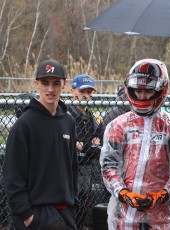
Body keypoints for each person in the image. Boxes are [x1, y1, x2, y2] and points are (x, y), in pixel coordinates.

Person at [100, 59, 170, 230]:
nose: (142, 96)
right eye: (137, 90)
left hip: (160, 215)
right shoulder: (118, 125)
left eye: (148, 91)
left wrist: (163, 194)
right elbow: (109, 165)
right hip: (123, 214)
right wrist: (123, 193)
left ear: (160, 90)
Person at [3, 59, 78, 230]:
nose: (50, 89)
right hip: (36, 215)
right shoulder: (24, 125)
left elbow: (72, 167)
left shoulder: (68, 121)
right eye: (45, 83)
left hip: (65, 213)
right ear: (37, 83)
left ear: (64, 84)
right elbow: (12, 177)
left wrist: (74, 204)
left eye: (56, 83)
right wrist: (28, 216)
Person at [68, 74, 103, 229]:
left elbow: (99, 147)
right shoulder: (65, 114)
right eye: (83, 91)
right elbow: (70, 144)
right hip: (69, 169)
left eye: (89, 92)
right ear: (73, 91)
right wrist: (90, 145)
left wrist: (85, 146)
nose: (87, 95)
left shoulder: (93, 118)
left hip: (87, 170)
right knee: (69, 209)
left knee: (83, 211)